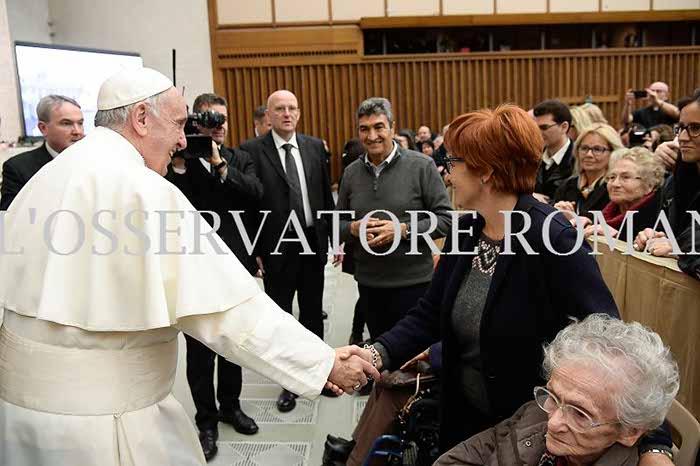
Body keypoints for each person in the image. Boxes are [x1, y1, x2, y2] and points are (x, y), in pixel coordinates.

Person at [0, 67, 379, 466]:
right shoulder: (143, 189)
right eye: (179, 124)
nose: (183, 140)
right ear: (141, 118)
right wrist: (322, 363)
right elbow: (228, 310)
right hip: (105, 429)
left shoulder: (45, 177)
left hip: (20, 422)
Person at [364, 104, 620, 454]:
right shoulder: (466, 231)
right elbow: (429, 313)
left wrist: (655, 441)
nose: (447, 174)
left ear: (485, 171)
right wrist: (375, 354)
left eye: (453, 162)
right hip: (463, 415)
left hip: (526, 430)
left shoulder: (554, 238)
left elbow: (607, 338)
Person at [435, 314, 679, 466]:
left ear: (629, 432)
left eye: (580, 414)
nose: (552, 423)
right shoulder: (535, 414)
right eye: (552, 396)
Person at [167, 92, 262, 459]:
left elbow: (255, 195)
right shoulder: (180, 161)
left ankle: (231, 406)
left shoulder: (239, 158)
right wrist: (180, 163)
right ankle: (206, 420)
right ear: (195, 124)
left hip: (234, 264)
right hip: (193, 268)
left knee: (234, 341)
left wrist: (220, 164)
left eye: (222, 119)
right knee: (200, 350)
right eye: (209, 121)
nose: (217, 126)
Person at [240, 89, 337, 413]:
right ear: (268, 115)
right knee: (281, 318)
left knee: (312, 312)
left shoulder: (314, 147)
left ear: (299, 112)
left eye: (292, 108)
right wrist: (254, 248)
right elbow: (249, 205)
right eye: (279, 108)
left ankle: (318, 376)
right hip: (276, 246)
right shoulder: (252, 150)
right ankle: (289, 383)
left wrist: (334, 237)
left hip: (311, 241)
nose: (287, 114)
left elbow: (325, 195)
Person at [336, 97, 451, 340]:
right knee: (381, 354)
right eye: (364, 129)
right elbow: (337, 225)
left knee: (416, 355)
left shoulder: (422, 166)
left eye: (379, 127)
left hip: (415, 285)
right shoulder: (351, 173)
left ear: (392, 127)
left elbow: (445, 219)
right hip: (370, 286)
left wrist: (402, 230)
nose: (372, 136)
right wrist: (354, 228)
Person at [634, 89, 700, 280]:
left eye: (695, 128)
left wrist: (682, 249)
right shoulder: (675, 181)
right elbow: (666, 233)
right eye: (681, 128)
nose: (683, 138)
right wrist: (651, 236)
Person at [0, 94, 84, 210]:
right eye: (66, 123)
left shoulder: (94, 162)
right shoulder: (18, 168)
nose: (77, 131)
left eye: (80, 123)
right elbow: (9, 217)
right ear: (43, 128)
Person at [583, 147, 665, 240]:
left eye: (626, 177)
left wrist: (617, 236)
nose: (615, 184)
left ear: (649, 185)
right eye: (612, 177)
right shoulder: (603, 210)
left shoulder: (659, 218)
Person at [553, 123, 624, 220]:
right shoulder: (566, 186)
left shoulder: (615, 188)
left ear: (613, 153)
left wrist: (574, 219)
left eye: (597, 149)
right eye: (584, 148)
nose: (589, 154)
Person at [533, 99, 575, 201]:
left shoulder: (579, 159)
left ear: (564, 127)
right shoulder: (531, 157)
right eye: (535, 127)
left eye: (544, 127)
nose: (538, 133)